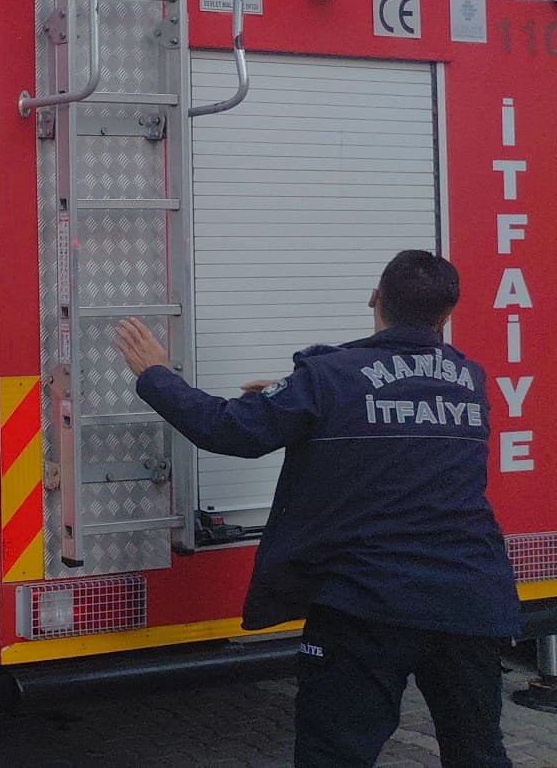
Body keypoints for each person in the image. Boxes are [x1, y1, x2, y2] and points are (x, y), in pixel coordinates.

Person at [111, 250, 517, 768]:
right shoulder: (470, 379)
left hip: (366, 605)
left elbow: (227, 428)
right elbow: (396, 412)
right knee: (478, 754)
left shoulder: (330, 379)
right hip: (470, 599)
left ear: (376, 298)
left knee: (334, 756)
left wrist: (156, 374)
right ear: (445, 316)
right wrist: (302, 401)